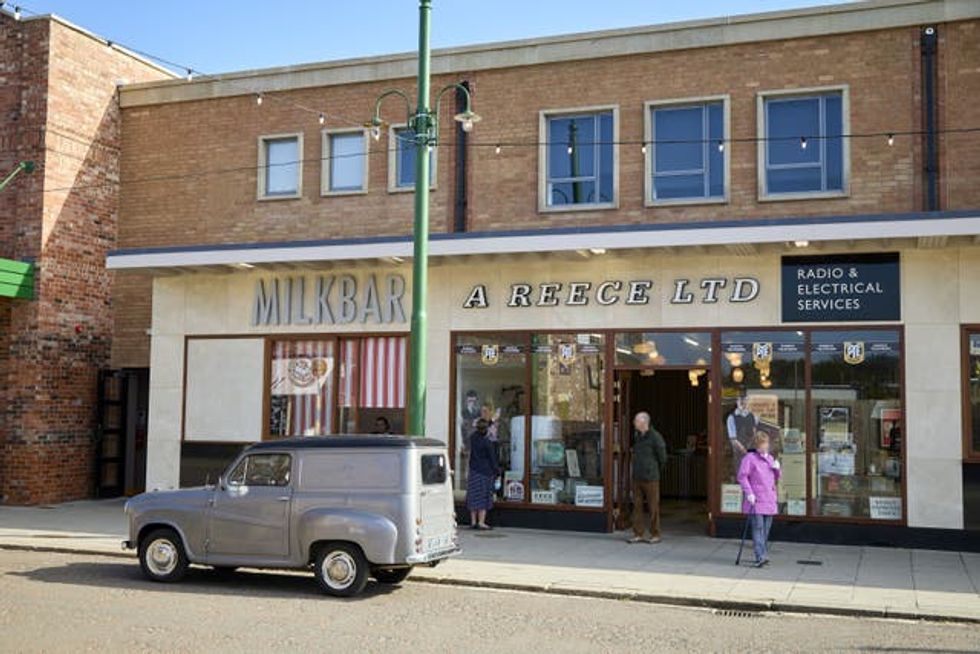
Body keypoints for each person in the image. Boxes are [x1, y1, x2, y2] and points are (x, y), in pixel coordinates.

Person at [737, 433, 781, 568]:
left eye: (766, 443)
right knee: (758, 528)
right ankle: (760, 556)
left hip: (769, 498)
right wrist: (749, 493)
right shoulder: (749, 459)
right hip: (756, 499)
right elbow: (742, 476)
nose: (765, 446)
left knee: (766, 529)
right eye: (762, 444)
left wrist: (777, 469)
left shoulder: (770, 459)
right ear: (757, 445)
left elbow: (775, 478)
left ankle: (762, 553)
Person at [628, 411, 667, 544]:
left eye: (636, 421)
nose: (634, 423)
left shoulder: (655, 437)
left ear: (644, 422)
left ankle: (655, 534)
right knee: (637, 507)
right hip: (637, 477)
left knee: (653, 507)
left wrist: (654, 470)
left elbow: (663, 457)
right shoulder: (637, 436)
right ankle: (638, 533)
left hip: (651, 478)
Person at [466, 418, 499, 530]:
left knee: (474, 496)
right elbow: (492, 459)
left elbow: (477, 432)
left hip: (474, 470)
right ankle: (481, 522)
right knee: (483, 497)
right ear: (486, 430)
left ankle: (473, 521)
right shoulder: (487, 443)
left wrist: (488, 423)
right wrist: (497, 471)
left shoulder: (473, 439)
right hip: (485, 472)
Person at [726, 391, 759, 467]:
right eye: (740, 400)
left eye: (744, 400)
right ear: (737, 402)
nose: (742, 402)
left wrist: (752, 449)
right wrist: (744, 450)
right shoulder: (731, 418)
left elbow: (755, 432)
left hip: (751, 451)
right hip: (739, 452)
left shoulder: (753, 416)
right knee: (741, 472)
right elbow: (733, 439)